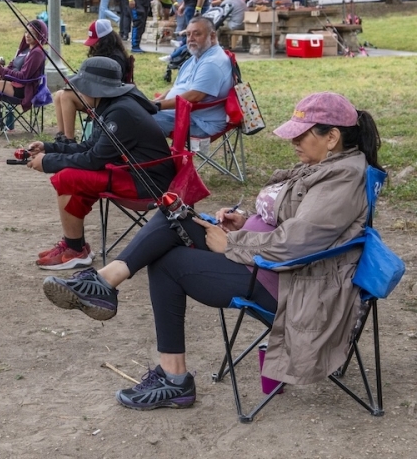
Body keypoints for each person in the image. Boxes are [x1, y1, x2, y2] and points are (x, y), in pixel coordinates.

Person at [41, 92, 382, 410]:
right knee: (175, 213)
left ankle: (170, 373)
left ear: (332, 137)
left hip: (292, 284)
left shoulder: (342, 179)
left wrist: (232, 242)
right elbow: (297, 220)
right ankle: (105, 283)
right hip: (268, 264)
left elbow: (299, 242)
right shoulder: (327, 165)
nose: (293, 142)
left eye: (301, 135)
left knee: (167, 261)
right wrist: (244, 221)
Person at [27, 57, 173, 269]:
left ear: (94, 88)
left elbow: (93, 160)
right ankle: (75, 245)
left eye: (82, 87)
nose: (78, 93)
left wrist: (48, 162)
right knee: (71, 174)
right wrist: (49, 148)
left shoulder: (120, 112)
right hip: (134, 172)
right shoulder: (113, 105)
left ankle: (74, 250)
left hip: (147, 182)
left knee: (66, 177)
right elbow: (90, 147)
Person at [151, 16, 234, 138]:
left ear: (212, 36)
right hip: (183, 113)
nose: (190, 39)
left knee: (138, 120)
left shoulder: (212, 63)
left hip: (200, 123)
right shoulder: (197, 57)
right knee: (132, 113)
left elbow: (195, 96)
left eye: (197, 34)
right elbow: (179, 86)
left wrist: (157, 106)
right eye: (188, 34)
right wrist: (154, 102)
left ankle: (146, 156)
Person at [52, 20, 133, 143]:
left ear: (105, 40)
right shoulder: (106, 53)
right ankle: (61, 137)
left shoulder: (116, 59)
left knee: (66, 96)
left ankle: (69, 140)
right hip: (98, 94)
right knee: (58, 94)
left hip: (108, 97)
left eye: (96, 42)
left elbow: (107, 86)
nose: (93, 45)